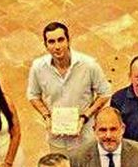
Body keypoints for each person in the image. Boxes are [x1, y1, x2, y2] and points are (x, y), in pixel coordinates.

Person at [27, 21, 108, 151]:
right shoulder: (38, 67)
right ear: (46, 45)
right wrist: (46, 116)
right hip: (56, 139)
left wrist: (85, 117)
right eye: (51, 42)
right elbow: (33, 95)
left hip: (84, 138)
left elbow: (104, 94)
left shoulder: (89, 65)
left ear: (68, 40)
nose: (57, 46)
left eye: (61, 40)